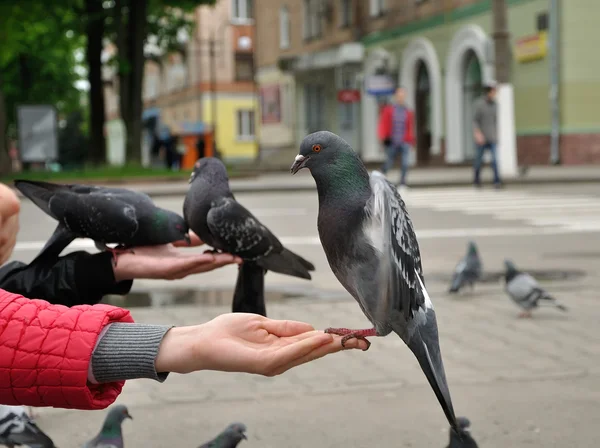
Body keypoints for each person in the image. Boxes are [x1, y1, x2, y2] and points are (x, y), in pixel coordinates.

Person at [0, 183, 366, 410]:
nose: (8, 202)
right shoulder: (130, 215)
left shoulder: (142, 210)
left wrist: (116, 269)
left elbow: (15, 314)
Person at [377, 86, 415, 187]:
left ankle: (402, 182)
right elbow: (383, 124)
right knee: (389, 163)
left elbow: (410, 127)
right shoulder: (389, 110)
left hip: (404, 141)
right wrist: (382, 138)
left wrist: (411, 140)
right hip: (392, 141)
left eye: (402, 95)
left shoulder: (408, 111)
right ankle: (380, 176)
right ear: (395, 97)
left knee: (405, 163)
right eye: (399, 95)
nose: (401, 98)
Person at [473, 81, 502, 188]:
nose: (495, 93)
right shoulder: (479, 104)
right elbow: (475, 120)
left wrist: (498, 134)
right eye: (493, 91)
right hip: (482, 137)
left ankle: (497, 181)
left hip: (493, 137)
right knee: (478, 161)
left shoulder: (496, 105)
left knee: (495, 160)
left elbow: (497, 121)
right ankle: (476, 181)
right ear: (489, 92)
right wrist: (478, 134)